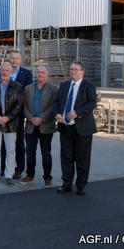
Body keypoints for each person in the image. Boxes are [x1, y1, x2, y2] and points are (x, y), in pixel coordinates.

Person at [54, 61, 97, 196]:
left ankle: (80, 186)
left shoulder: (88, 86)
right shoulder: (64, 85)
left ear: (82, 71)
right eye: (71, 69)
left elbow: (92, 103)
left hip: (82, 128)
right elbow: (56, 102)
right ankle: (66, 184)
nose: (73, 71)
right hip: (65, 127)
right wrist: (57, 114)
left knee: (82, 159)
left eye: (76, 69)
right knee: (66, 158)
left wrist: (77, 113)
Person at [0, 61, 24, 186]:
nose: (4, 72)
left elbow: (19, 105)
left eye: (7, 70)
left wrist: (8, 117)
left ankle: (8, 175)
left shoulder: (17, 87)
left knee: (10, 150)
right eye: (2, 70)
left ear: (11, 71)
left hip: (10, 123)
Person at [21, 65, 57, 187]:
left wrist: (42, 118)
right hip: (30, 125)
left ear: (47, 75)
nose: (40, 74)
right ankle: (29, 175)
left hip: (46, 126)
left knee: (46, 153)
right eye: (38, 72)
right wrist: (30, 118)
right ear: (35, 74)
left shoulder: (53, 89)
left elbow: (53, 107)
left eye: (43, 72)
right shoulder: (28, 88)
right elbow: (24, 106)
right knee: (30, 153)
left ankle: (47, 177)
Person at [10, 50, 33, 179]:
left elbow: (28, 93)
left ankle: (19, 168)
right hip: (4, 113)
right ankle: (5, 167)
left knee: (19, 142)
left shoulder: (27, 73)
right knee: (5, 142)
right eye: (12, 58)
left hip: (18, 113)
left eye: (16, 58)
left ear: (20, 60)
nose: (14, 60)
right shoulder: (4, 71)